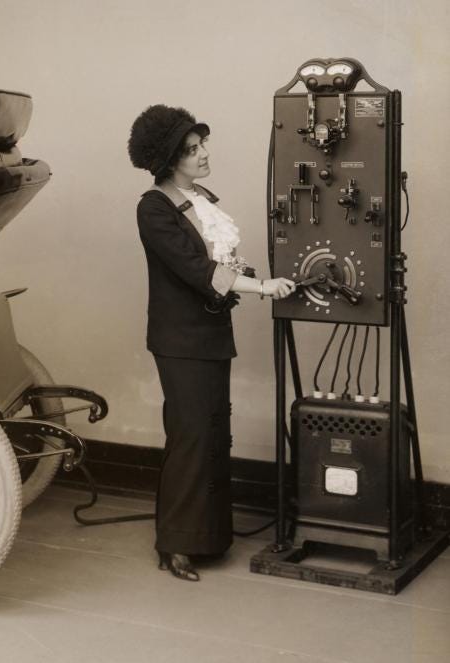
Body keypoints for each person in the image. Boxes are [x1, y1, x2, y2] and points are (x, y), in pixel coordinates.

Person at [127, 105, 295, 581]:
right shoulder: (153, 207)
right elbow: (196, 269)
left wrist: (256, 278)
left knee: (215, 432)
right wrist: (261, 288)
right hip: (180, 341)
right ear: (168, 160)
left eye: (202, 146)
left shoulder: (199, 198)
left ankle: (209, 537)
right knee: (191, 436)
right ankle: (174, 545)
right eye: (192, 150)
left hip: (209, 333)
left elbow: (223, 264)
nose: (203, 155)